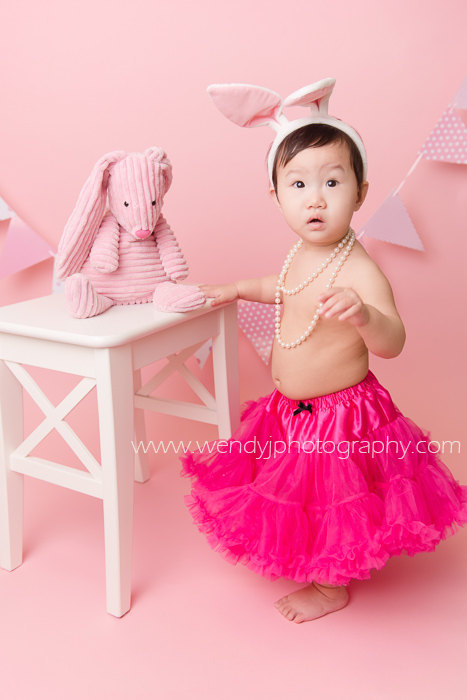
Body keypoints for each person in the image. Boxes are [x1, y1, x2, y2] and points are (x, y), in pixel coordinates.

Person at [179, 80, 467, 624]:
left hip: (341, 417)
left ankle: (331, 587)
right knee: (296, 496)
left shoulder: (359, 268)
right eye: (299, 184)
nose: (316, 197)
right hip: (290, 411)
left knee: (335, 500)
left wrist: (364, 315)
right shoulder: (300, 253)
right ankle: (316, 563)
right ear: (277, 197)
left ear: (360, 193)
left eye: (333, 182)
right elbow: (281, 287)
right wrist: (238, 287)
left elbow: (394, 342)